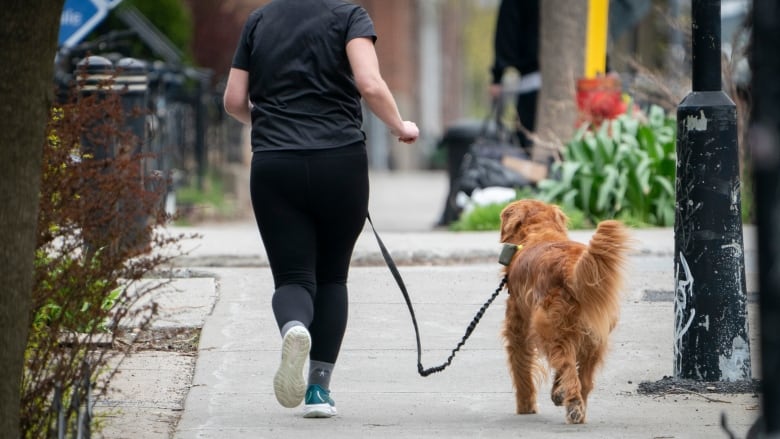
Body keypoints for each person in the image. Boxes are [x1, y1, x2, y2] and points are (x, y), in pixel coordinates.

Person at [223, 0, 419, 419]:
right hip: (339, 162)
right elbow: (369, 83)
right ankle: (317, 391)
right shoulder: (349, 16)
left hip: (275, 164)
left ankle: (293, 328)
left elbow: (234, 98)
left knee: (293, 277)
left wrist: (269, 126)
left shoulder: (258, 20)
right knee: (332, 276)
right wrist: (400, 125)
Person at [489, 0, 540, 152]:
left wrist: (497, 76)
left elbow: (506, 30)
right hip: (537, 78)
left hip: (530, 80)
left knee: (527, 143)